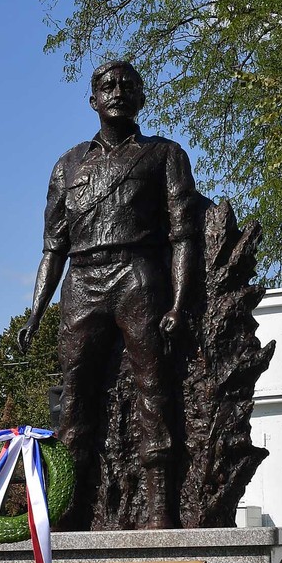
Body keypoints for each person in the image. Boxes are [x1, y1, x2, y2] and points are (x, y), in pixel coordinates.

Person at [18, 61, 199, 528]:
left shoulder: (165, 154)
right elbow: (53, 248)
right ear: (93, 99)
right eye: (107, 85)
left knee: (153, 389)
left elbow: (183, 235)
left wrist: (178, 303)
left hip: (138, 276)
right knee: (73, 398)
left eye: (127, 85)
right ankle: (69, 510)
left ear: (141, 97)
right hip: (82, 280)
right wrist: (35, 313)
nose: (117, 91)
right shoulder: (67, 165)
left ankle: (160, 511)